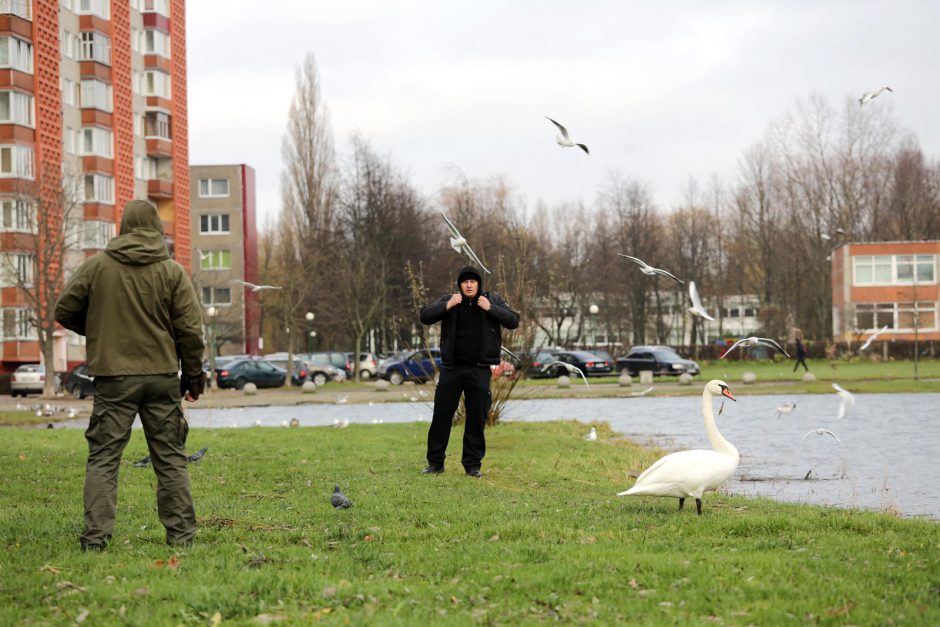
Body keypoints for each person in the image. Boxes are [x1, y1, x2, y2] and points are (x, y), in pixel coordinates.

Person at [55, 199, 206, 551]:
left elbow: (65, 309)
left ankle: (95, 541)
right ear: (157, 228)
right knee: (170, 459)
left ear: (122, 227)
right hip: (162, 376)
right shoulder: (172, 271)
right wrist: (194, 373)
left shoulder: (97, 268)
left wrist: (99, 331)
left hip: (113, 379)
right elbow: (190, 330)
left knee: (104, 459)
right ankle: (182, 539)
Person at [419, 265, 519, 477]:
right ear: (460, 284)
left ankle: (472, 466)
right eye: (465, 282)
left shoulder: (492, 300)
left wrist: (490, 308)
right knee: (441, 416)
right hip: (451, 369)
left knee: (476, 419)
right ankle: (436, 464)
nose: (469, 285)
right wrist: (447, 305)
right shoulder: (451, 299)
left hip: (480, 370)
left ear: (479, 283)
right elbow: (425, 316)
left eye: (473, 281)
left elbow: (513, 321)